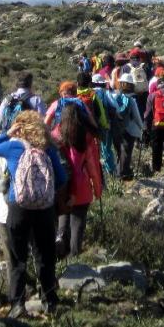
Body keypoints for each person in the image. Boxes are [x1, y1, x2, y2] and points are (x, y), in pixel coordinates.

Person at [0, 111, 68, 318]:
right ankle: (50, 301)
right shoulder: (48, 148)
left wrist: (7, 133)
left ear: (20, 128)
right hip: (44, 210)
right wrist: (45, 193)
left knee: (17, 257)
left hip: (17, 207)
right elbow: (62, 177)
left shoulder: (13, 146)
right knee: (45, 256)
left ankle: (18, 304)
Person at [55, 103, 103, 257]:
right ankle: (74, 256)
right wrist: (97, 189)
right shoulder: (85, 137)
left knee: (62, 222)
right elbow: (93, 168)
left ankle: (59, 254)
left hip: (61, 188)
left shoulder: (54, 134)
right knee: (77, 225)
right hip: (81, 190)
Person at [112, 73, 144, 180]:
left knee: (119, 151)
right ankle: (124, 173)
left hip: (117, 128)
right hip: (130, 130)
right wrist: (142, 128)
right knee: (127, 151)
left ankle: (117, 171)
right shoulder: (131, 99)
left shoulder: (114, 96)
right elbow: (137, 117)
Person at [92, 73, 119, 175]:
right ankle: (111, 171)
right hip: (106, 124)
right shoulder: (105, 93)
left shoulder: (90, 94)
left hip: (93, 125)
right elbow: (115, 106)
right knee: (107, 147)